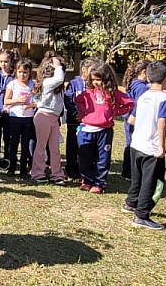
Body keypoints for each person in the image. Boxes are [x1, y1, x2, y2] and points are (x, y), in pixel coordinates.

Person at [124, 60, 166, 230]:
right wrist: (161, 146)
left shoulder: (144, 95)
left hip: (136, 144)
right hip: (151, 148)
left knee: (137, 177)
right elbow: (162, 122)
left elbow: (131, 120)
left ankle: (130, 203)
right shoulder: (165, 99)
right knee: (151, 182)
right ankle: (141, 215)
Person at [74, 62, 135, 194]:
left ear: (106, 79)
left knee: (103, 158)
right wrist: (83, 111)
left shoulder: (114, 94)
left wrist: (115, 112)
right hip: (86, 130)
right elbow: (77, 101)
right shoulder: (87, 93)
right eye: (93, 79)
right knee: (85, 157)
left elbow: (130, 103)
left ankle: (99, 183)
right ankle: (87, 180)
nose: (96, 82)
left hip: (104, 131)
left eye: (98, 79)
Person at [31, 52, 67, 185]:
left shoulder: (58, 87)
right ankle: (37, 172)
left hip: (54, 118)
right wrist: (57, 66)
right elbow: (58, 79)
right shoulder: (47, 82)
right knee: (41, 147)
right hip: (43, 116)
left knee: (55, 148)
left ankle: (57, 174)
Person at [2, 59, 37, 178]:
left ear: (29, 73)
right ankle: (12, 167)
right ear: (16, 71)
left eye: (25, 72)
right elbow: (6, 100)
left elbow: (37, 101)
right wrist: (17, 100)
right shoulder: (12, 84)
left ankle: (23, 168)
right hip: (15, 118)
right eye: (20, 72)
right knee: (14, 143)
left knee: (25, 144)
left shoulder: (33, 84)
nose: (22, 75)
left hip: (28, 118)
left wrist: (31, 105)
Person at [63, 58, 96, 180]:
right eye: (92, 69)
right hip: (74, 120)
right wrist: (76, 113)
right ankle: (71, 167)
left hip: (89, 121)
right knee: (72, 143)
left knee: (87, 144)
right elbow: (68, 99)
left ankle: (84, 168)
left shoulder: (94, 84)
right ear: (84, 69)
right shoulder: (74, 83)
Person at [120, 59, 150, 179]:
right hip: (135, 120)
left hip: (129, 119)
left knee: (130, 144)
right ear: (144, 71)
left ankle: (126, 172)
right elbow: (139, 104)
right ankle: (130, 173)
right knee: (134, 147)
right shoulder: (142, 87)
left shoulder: (133, 83)